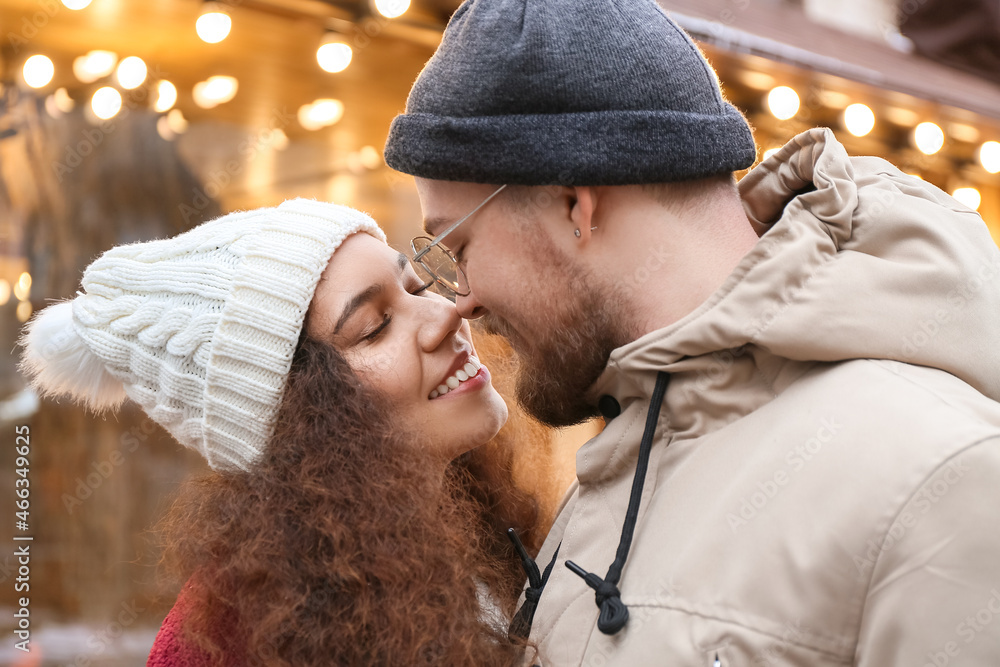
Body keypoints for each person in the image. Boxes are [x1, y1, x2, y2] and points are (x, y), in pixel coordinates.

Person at [382, 0, 1000, 664]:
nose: (462, 300)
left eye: (456, 244)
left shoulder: (942, 478)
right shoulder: (628, 454)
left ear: (573, 207)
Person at [19, 199, 543, 665]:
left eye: (416, 286)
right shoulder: (228, 646)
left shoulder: (488, 539)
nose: (445, 314)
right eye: (374, 327)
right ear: (300, 422)